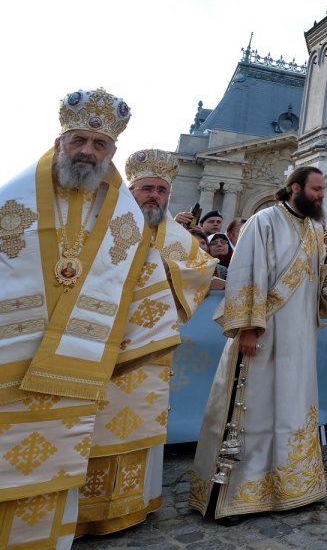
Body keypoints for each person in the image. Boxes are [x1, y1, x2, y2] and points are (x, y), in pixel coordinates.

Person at [0, 88, 181, 550]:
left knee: (53, 472)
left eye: (99, 145)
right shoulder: (9, 201)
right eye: (80, 140)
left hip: (76, 370)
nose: (88, 151)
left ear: (111, 152)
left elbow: (144, 284)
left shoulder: (124, 218)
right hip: (8, 365)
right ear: (60, 142)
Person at [76, 149, 218, 538]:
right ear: (131, 190)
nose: (153, 196)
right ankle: (82, 507)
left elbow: (201, 271)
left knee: (139, 421)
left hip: (149, 353)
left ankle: (135, 503)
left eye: (160, 189)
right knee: (94, 426)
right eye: (145, 188)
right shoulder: (104, 226)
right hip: (99, 343)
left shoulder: (178, 238)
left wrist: (158, 267)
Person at [189, 166, 327, 520]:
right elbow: (245, 273)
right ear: (294, 188)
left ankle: (291, 486)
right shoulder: (264, 221)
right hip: (265, 329)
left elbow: (315, 282)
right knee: (253, 405)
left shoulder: (315, 230)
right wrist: (246, 327)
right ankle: (240, 491)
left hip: (300, 334)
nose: (321, 196)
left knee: (291, 403)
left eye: (322, 190)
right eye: (316, 189)